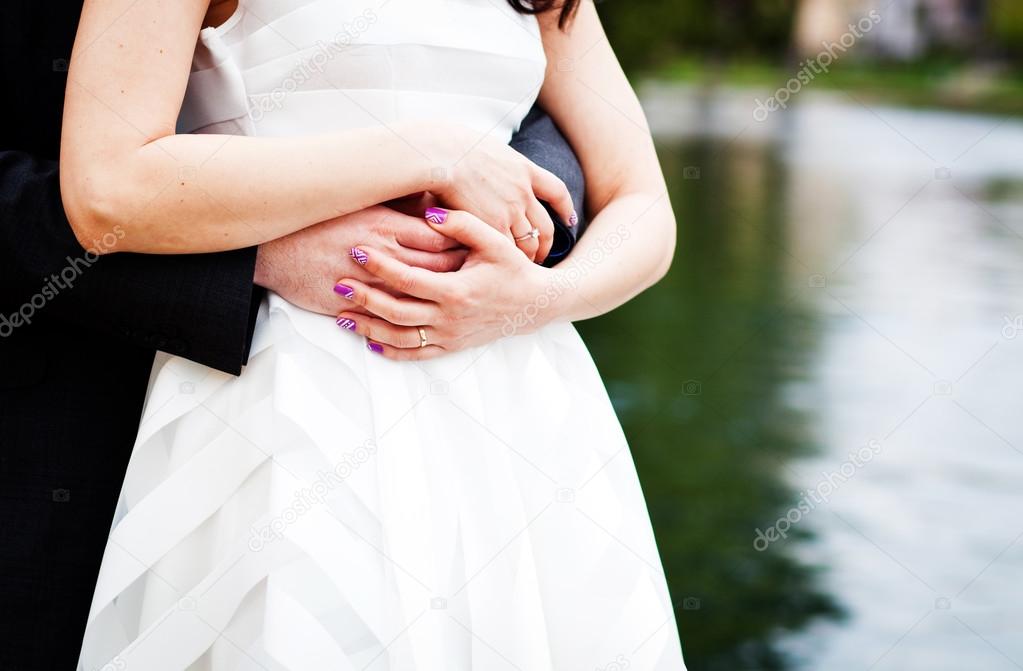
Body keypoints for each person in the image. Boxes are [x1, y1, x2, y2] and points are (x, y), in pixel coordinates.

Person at [63, 0, 686, 667]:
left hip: (517, 405)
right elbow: (109, 185)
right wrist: (429, 153)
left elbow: (641, 201)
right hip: (288, 396)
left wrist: (534, 298)